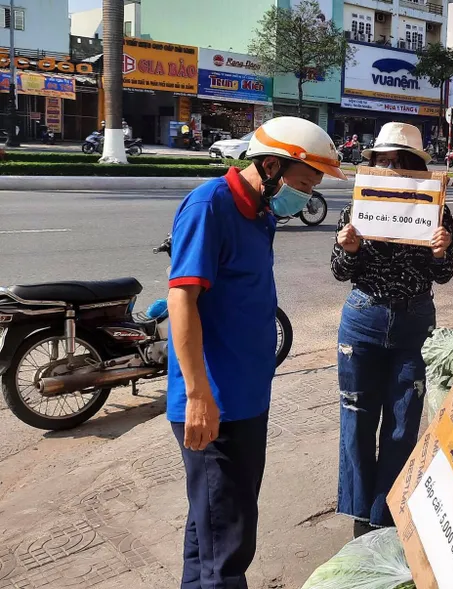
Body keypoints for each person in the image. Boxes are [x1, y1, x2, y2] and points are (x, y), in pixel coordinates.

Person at [167, 116, 346, 588]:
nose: (307, 198)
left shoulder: (261, 212)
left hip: (247, 398)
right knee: (227, 541)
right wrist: (199, 396)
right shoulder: (211, 205)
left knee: (211, 526)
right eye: (304, 184)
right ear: (270, 166)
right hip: (215, 405)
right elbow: (182, 299)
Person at [331, 122, 453, 537]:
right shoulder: (357, 207)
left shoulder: (436, 208)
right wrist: (348, 250)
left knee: (403, 424)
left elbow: (444, 275)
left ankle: (387, 514)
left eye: (398, 162)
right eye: (382, 162)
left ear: (414, 167)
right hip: (363, 321)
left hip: (414, 325)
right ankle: (360, 515)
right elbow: (339, 271)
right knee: (357, 419)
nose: (389, 169)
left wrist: (440, 252)